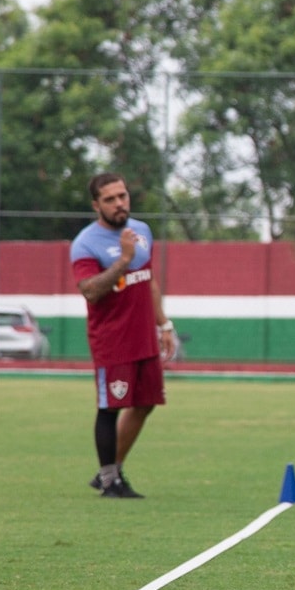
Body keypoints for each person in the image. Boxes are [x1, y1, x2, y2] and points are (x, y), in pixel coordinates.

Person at [71, 172, 176, 499]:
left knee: (145, 403)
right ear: (96, 205)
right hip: (113, 341)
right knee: (109, 407)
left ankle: (110, 471)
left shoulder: (142, 231)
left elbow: (149, 281)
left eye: (123, 196)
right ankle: (109, 481)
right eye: (110, 199)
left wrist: (164, 324)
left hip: (144, 336)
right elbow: (90, 290)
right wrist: (123, 261)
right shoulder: (85, 244)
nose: (119, 204)